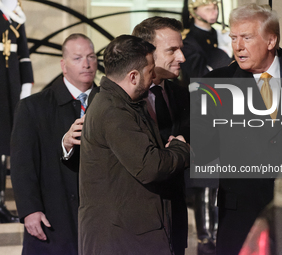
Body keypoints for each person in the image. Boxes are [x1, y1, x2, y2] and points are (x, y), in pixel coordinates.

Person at [192, 3, 282, 255]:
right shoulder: (214, 84)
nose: (237, 46)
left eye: (246, 38)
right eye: (234, 38)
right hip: (242, 219)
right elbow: (203, 150)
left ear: (271, 40)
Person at [78, 34, 191, 255]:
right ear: (133, 76)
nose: (153, 77)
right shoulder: (114, 111)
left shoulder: (120, 104)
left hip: (128, 236)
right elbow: (150, 167)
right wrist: (181, 149)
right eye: (150, 71)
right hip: (122, 241)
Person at [10, 33, 99, 255]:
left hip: (100, 217)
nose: (86, 64)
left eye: (91, 56)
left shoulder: (111, 103)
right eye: (78, 58)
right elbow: (22, 165)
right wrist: (30, 210)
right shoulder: (34, 107)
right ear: (64, 64)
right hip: (54, 215)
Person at [132, 17, 190, 255]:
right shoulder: (120, 101)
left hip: (174, 223)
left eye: (181, 50)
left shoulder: (184, 95)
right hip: (135, 228)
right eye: (172, 50)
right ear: (147, 53)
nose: (182, 58)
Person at [180, 1, 233, 253]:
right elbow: (200, 80)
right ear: (194, 10)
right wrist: (224, 57)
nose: (214, 9)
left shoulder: (220, 36)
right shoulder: (190, 42)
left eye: (215, 4)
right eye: (207, 5)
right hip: (205, 115)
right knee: (208, 177)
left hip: (228, 113)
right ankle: (206, 237)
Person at [0, 0, 33, 223]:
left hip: (10, 90)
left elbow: (24, 56)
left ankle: (0, 202)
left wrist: (26, 86)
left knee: (4, 148)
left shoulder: (16, 18)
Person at [180, 0, 232, 87]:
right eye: (208, 9)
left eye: (215, 8)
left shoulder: (222, 35)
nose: (214, 12)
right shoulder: (188, 42)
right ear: (193, 12)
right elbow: (199, 78)